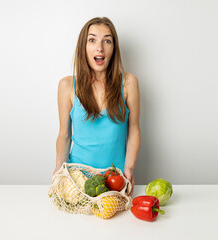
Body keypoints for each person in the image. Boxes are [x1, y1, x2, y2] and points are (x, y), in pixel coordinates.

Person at [53, 17, 140, 196]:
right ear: (83, 48)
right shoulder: (67, 85)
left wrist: (129, 168)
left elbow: (134, 130)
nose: (99, 47)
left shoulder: (129, 83)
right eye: (92, 40)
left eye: (107, 41)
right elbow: (64, 134)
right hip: (76, 180)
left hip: (115, 181)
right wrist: (58, 170)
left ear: (114, 48)